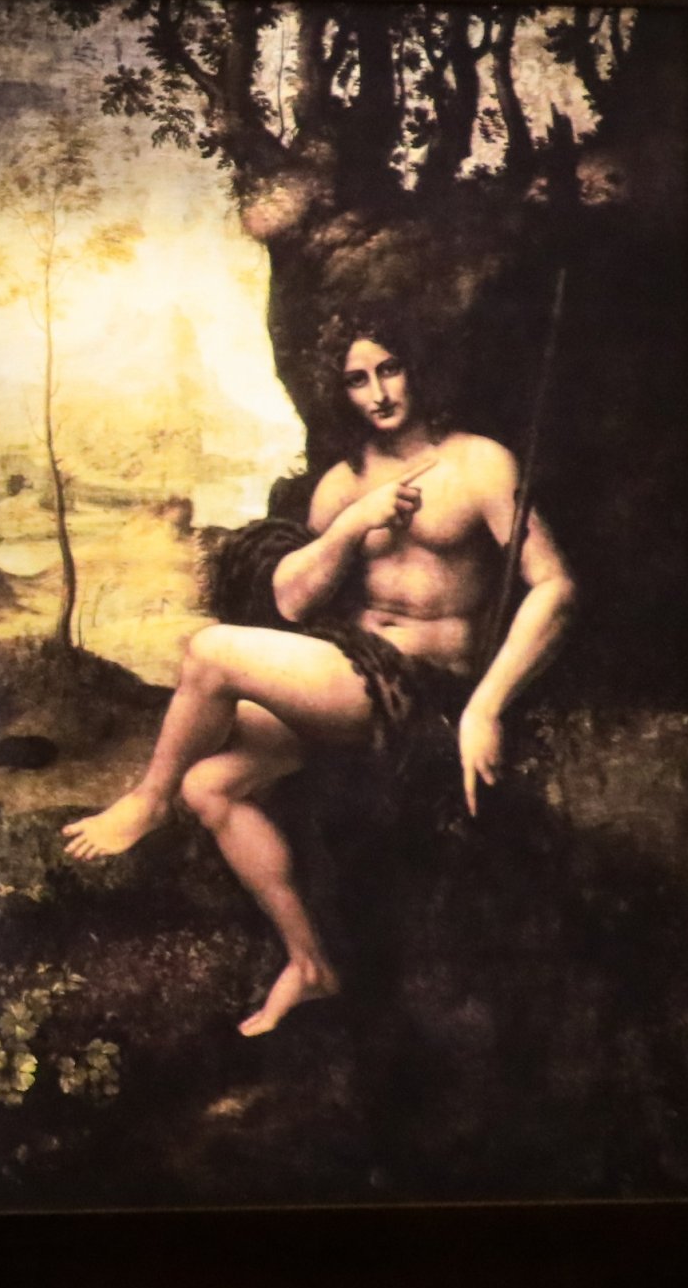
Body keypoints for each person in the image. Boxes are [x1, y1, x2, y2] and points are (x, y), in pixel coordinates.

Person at [58, 312, 577, 1036]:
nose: (377, 392)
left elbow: (555, 587)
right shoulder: (342, 483)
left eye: (390, 369)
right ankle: (310, 965)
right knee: (211, 786)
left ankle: (148, 799)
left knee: (208, 651)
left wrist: (485, 706)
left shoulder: (480, 463)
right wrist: (349, 523)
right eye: (357, 379)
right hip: (349, 668)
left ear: (418, 368)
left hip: (419, 688)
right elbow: (293, 601)